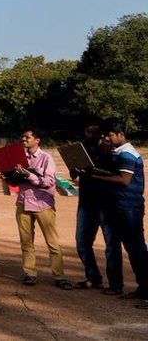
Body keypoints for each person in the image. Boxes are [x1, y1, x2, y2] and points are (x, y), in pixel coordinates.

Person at [88, 118, 148, 302]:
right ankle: (143, 288)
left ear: (121, 134)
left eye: (110, 135)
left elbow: (124, 180)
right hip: (121, 205)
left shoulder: (127, 154)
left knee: (137, 249)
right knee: (133, 249)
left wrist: (98, 177)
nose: (107, 138)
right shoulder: (119, 152)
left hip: (129, 206)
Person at [9, 128, 71, 288]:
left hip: (42, 204)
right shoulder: (19, 158)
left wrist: (29, 175)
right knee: (26, 242)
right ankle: (30, 273)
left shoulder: (46, 158)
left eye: (27, 137)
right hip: (23, 202)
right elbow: (16, 183)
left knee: (52, 242)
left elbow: (49, 182)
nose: (24, 139)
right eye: (22, 136)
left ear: (37, 140)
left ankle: (59, 276)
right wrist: (10, 176)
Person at [70, 120, 119, 291]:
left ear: (101, 133)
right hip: (86, 202)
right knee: (82, 241)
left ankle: (115, 284)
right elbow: (73, 175)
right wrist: (76, 169)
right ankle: (93, 277)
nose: (91, 135)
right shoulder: (80, 148)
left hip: (106, 202)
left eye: (94, 131)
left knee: (111, 244)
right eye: (88, 131)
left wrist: (93, 170)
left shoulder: (109, 149)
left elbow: (115, 174)